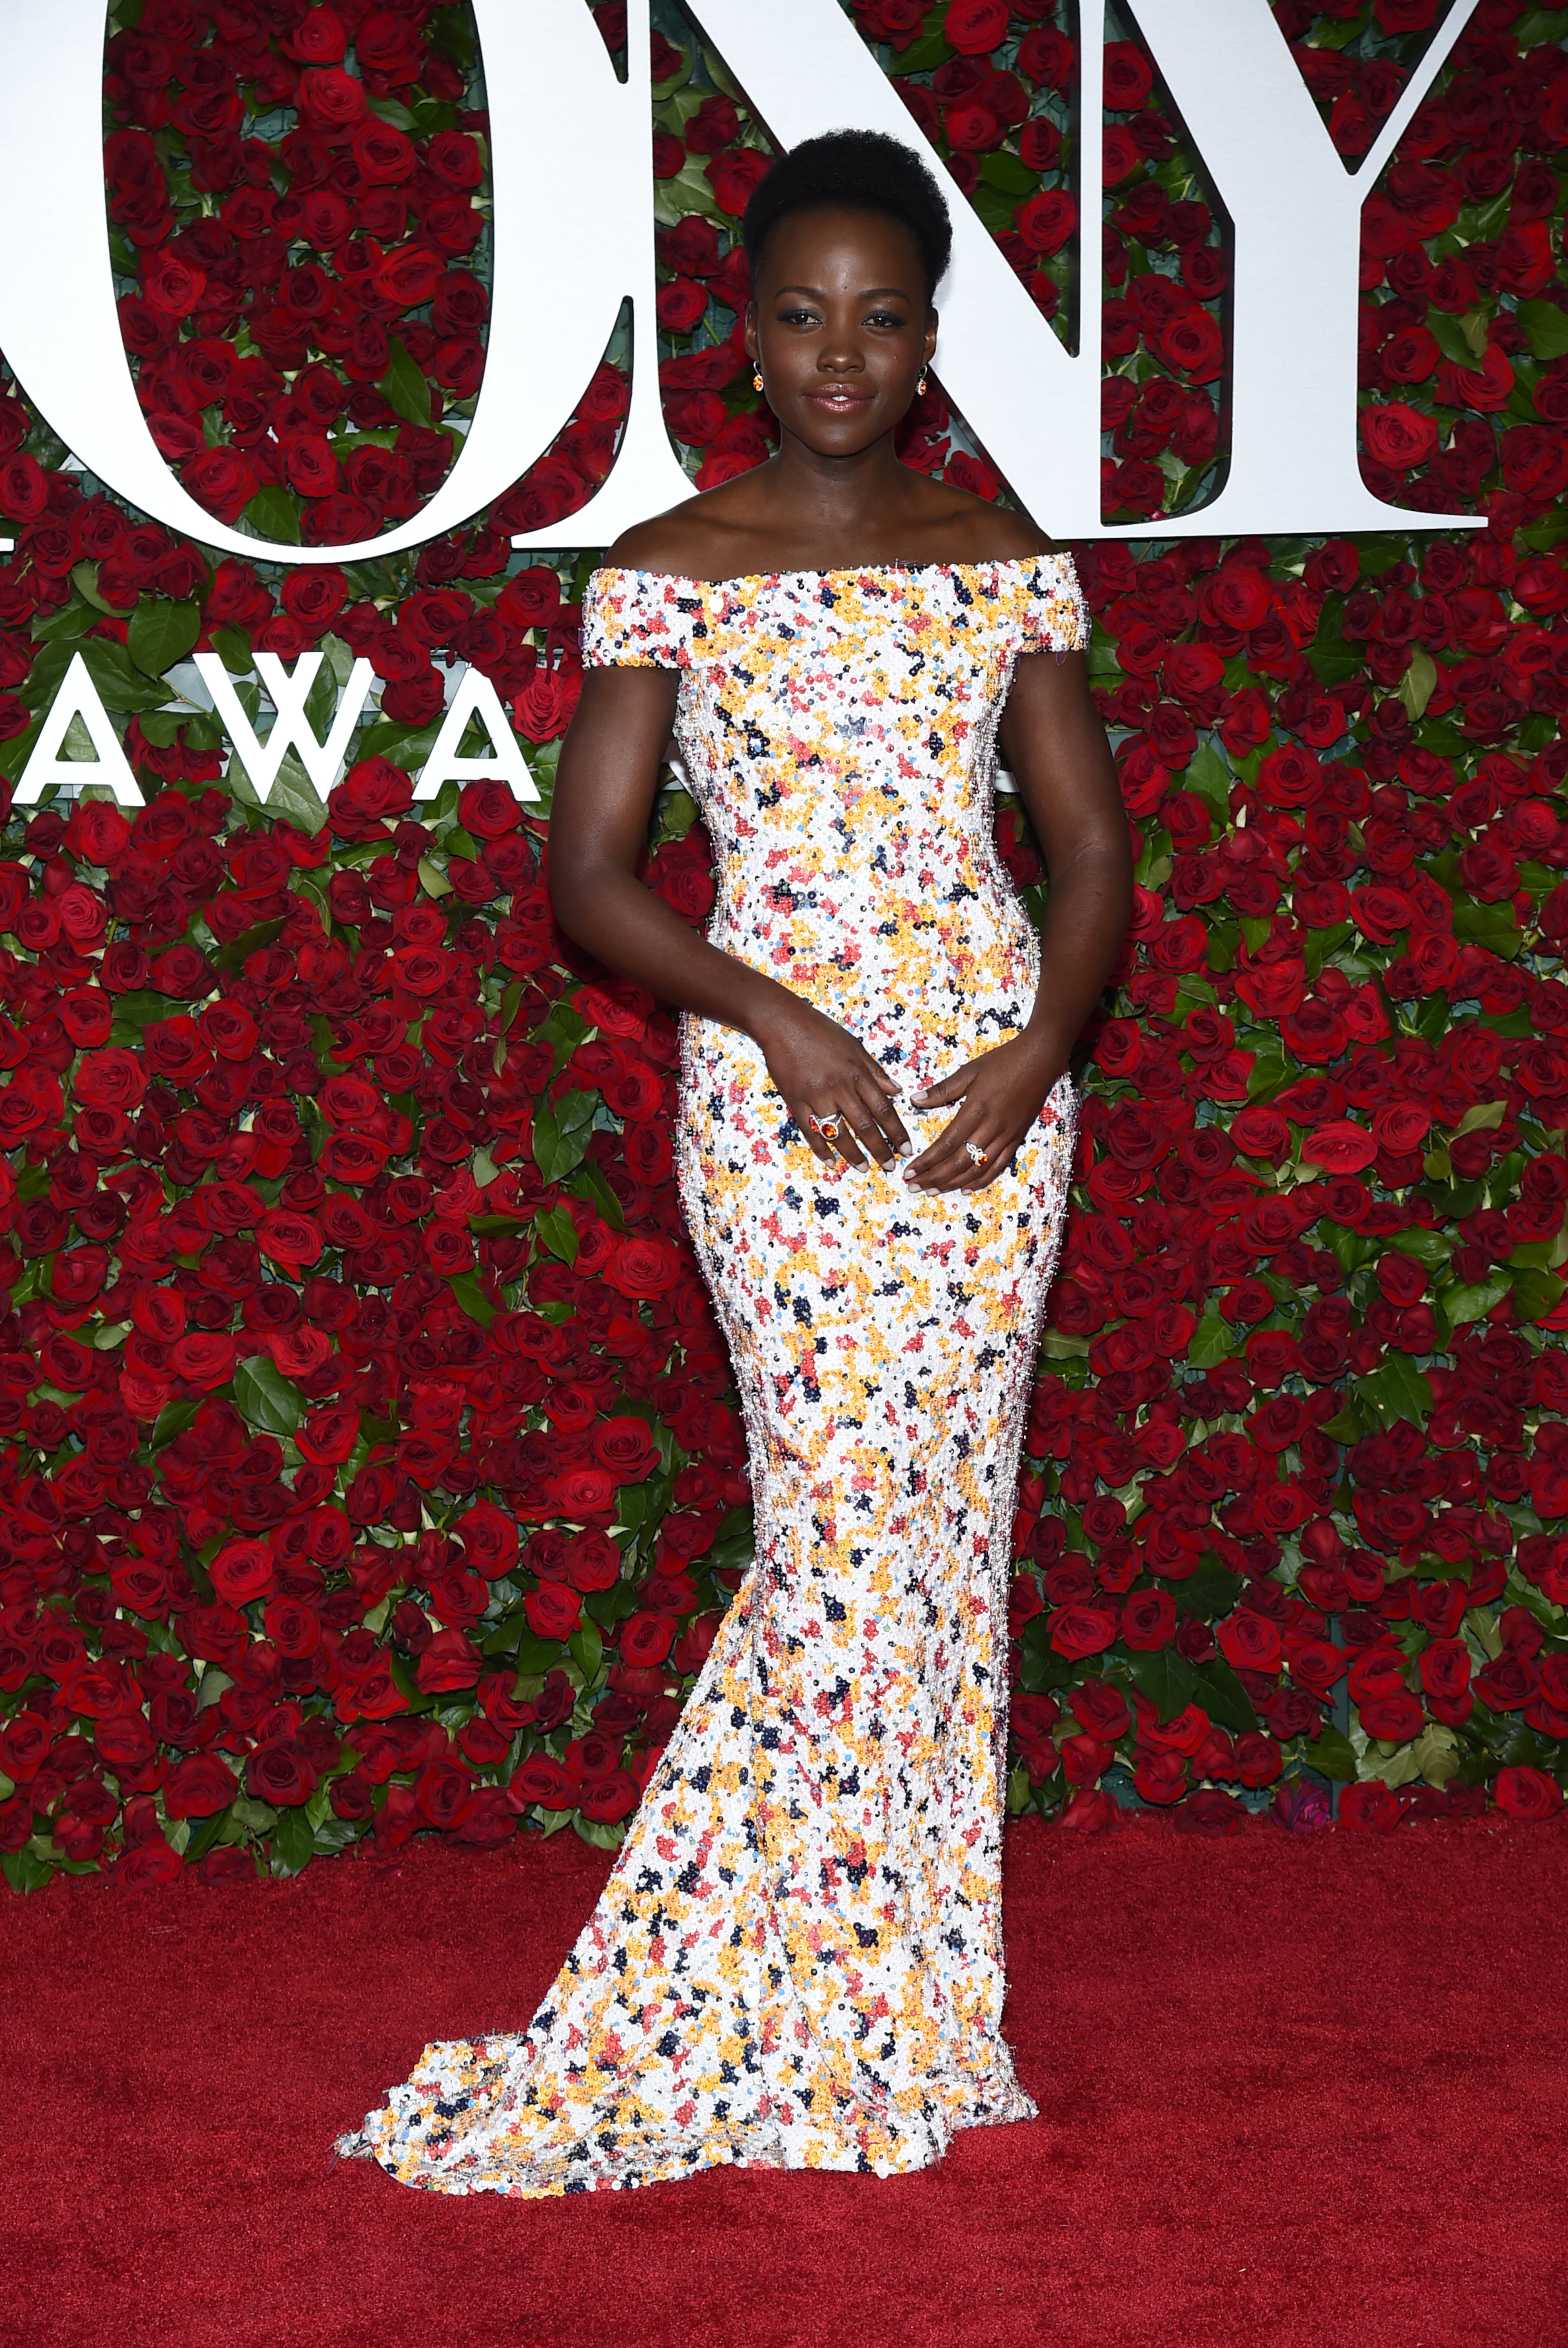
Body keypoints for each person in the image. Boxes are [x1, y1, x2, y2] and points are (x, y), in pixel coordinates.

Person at [336, 127, 1129, 2197]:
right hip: (782, 1111)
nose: (839, 351)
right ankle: (780, 2002)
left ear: (929, 338)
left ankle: (911, 2000)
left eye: (880, 316)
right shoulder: (669, 570)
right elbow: (590, 878)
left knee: (939, 1539)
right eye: (800, 314)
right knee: (841, 1532)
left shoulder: (1000, 555)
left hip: (987, 1099)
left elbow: (1090, 850)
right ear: (750, 339)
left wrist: (1041, 1046)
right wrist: (773, 1012)